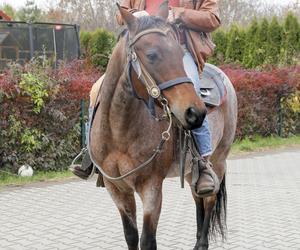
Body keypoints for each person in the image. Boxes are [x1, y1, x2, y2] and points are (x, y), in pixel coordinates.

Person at [71, 0, 221, 197]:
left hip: (177, 52)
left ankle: (202, 163)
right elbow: (121, 14)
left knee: (190, 90)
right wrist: (136, 14)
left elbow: (213, 18)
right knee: (98, 88)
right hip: (141, 50)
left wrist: (179, 14)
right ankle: (91, 153)